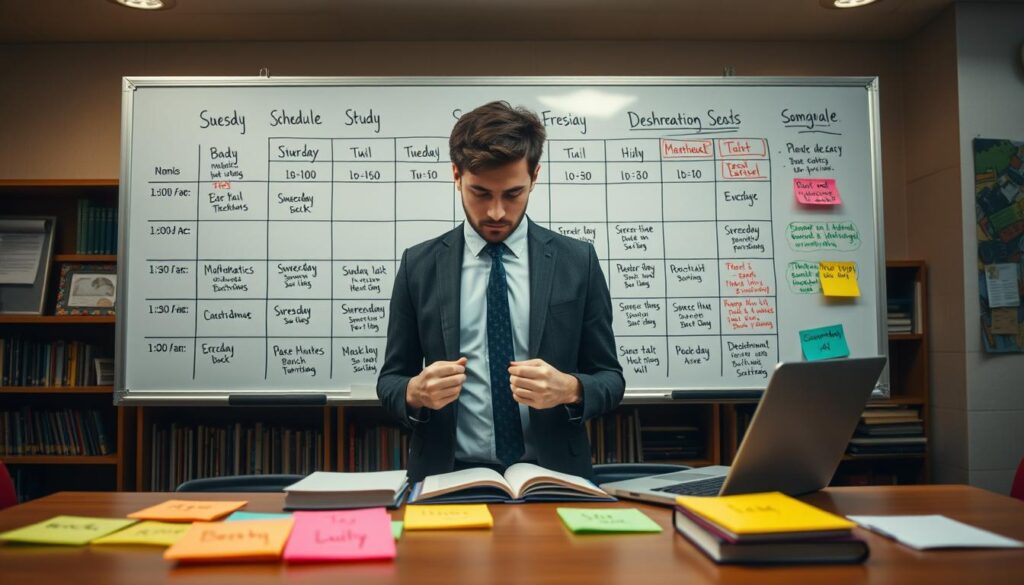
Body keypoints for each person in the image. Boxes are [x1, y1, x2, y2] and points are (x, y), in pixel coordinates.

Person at [377, 101, 624, 481]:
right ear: (456, 175)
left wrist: (570, 389)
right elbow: (390, 381)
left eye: (512, 194)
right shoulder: (419, 265)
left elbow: (609, 378)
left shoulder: (578, 261)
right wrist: (415, 392)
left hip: (553, 476)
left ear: (535, 176)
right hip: (447, 476)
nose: (495, 213)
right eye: (480, 193)